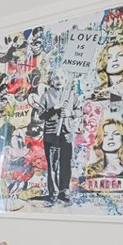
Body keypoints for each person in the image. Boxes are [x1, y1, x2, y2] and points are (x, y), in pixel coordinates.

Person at [33, 68, 80, 204]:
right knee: (53, 164)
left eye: (61, 78)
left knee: (65, 164)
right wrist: (55, 108)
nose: (59, 81)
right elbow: (40, 115)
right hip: (51, 134)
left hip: (66, 134)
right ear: (52, 81)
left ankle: (63, 191)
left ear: (66, 80)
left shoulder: (71, 95)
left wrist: (70, 113)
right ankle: (53, 193)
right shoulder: (46, 96)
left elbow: (79, 110)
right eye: (56, 78)